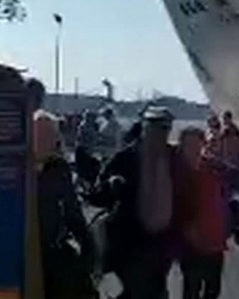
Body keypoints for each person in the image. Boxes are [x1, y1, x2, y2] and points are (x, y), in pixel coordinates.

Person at [90, 106, 178, 299]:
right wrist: (111, 185)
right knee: (144, 291)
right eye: (155, 127)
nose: (160, 133)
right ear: (144, 127)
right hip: (129, 240)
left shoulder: (174, 158)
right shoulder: (125, 157)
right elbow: (97, 195)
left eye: (165, 128)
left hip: (162, 242)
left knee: (150, 291)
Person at [28, 79, 97, 299]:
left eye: (49, 137)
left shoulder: (58, 170)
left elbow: (72, 211)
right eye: (39, 137)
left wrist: (87, 245)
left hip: (51, 251)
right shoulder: (11, 167)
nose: (44, 142)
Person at [175, 128, 227, 299]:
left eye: (197, 143)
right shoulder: (176, 172)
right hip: (190, 242)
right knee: (191, 288)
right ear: (181, 146)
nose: (193, 148)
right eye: (189, 144)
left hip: (215, 240)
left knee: (213, 290)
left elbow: (230, 189)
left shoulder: (213, 167)